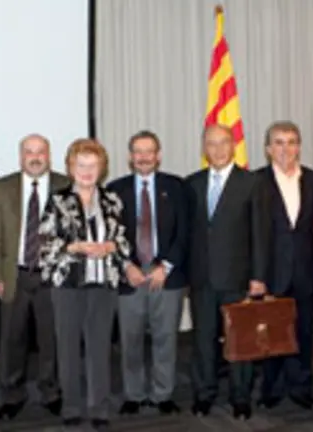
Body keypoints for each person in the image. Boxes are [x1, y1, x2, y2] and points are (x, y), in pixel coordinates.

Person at [38, 138, 132, 430]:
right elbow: (44, 246)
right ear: (70, 167)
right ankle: (71, 407)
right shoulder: (57, 201)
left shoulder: (112, 200)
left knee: (99, 348)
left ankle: (99, 408)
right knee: (67, 349)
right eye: (81, 165)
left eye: (93, 165)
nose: (87, 171)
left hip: (103, 284)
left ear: (102, 168)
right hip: (68, 285)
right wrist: (74, 247)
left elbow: (123, 242)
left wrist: (110, 247)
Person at [185, 124, 269, 421]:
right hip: (201, 279)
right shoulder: (192, 183)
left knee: (240, 342)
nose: (218, 149)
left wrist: (258, 277)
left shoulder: (252, 182)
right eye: (211, 143)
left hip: (238, 278)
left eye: (223, 143)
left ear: (233, 146)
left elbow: (260, 233)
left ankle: (240, 397)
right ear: (204, 148)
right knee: (203, 341)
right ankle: (204, 394)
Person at [0, 134, 69, 420]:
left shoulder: (65, 185)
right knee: (11, 339)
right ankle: (11, 394)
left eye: (40, 152)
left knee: (51, 338)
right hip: (15, 275)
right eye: (29, 152)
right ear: (21, 156)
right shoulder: (3, 187)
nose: (35, 157)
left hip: (51, 276)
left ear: (49, 156)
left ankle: (51, 391)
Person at [107, 130, 188, 416]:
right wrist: (126, 265)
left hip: (166, 274)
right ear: (130, 157)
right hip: (130, 274)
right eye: (138, 152)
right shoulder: (114, 189)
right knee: (130, 339)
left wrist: (166, 266)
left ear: (158, 155)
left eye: (149, 151)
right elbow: (110, 235)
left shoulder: (176, 187)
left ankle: (162, 394)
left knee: (166, 338)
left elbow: (184, 232)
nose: (143, 157)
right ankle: (134, 394)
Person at [254, 122, 313, 411]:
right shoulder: (255, 181)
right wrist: (255, 275)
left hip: (306, 270)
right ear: (268, 149)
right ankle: (271, 389)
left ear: (299, 147)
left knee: (304, 332)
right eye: (279, 142)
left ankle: (301, 387)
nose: (286, 148)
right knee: (270, 333)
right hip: (270, 272)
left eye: (292, 142)